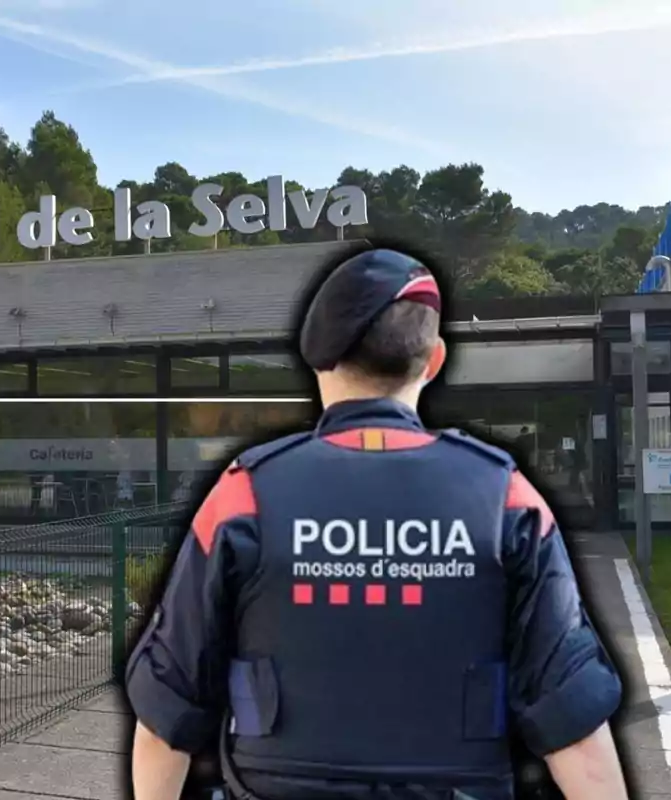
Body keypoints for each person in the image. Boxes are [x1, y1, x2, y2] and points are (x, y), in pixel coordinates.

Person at [125, 247, 628, 800]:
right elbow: (575, 726)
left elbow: (165, 715)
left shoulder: (243, 493)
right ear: (434, 360)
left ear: (316, 360)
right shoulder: (507, 497)